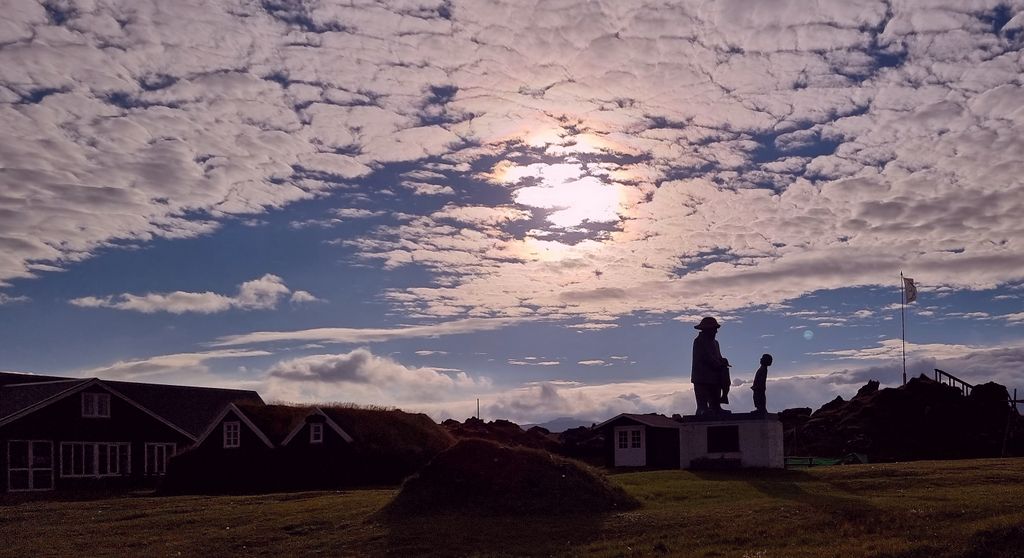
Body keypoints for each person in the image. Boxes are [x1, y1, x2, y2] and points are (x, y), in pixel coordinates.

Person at [691, 317, 731, 416]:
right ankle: (703, 411)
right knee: (702, 405)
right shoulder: (699, 341)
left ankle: (717, 406)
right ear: (707, 330)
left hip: (714, 377)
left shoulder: (715, 343)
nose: (716, 332)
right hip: (702, 377)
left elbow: (718, 356)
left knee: (715, 400)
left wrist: (723, 361)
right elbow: (706, 357)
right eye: (714, 329)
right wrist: (717, 364)